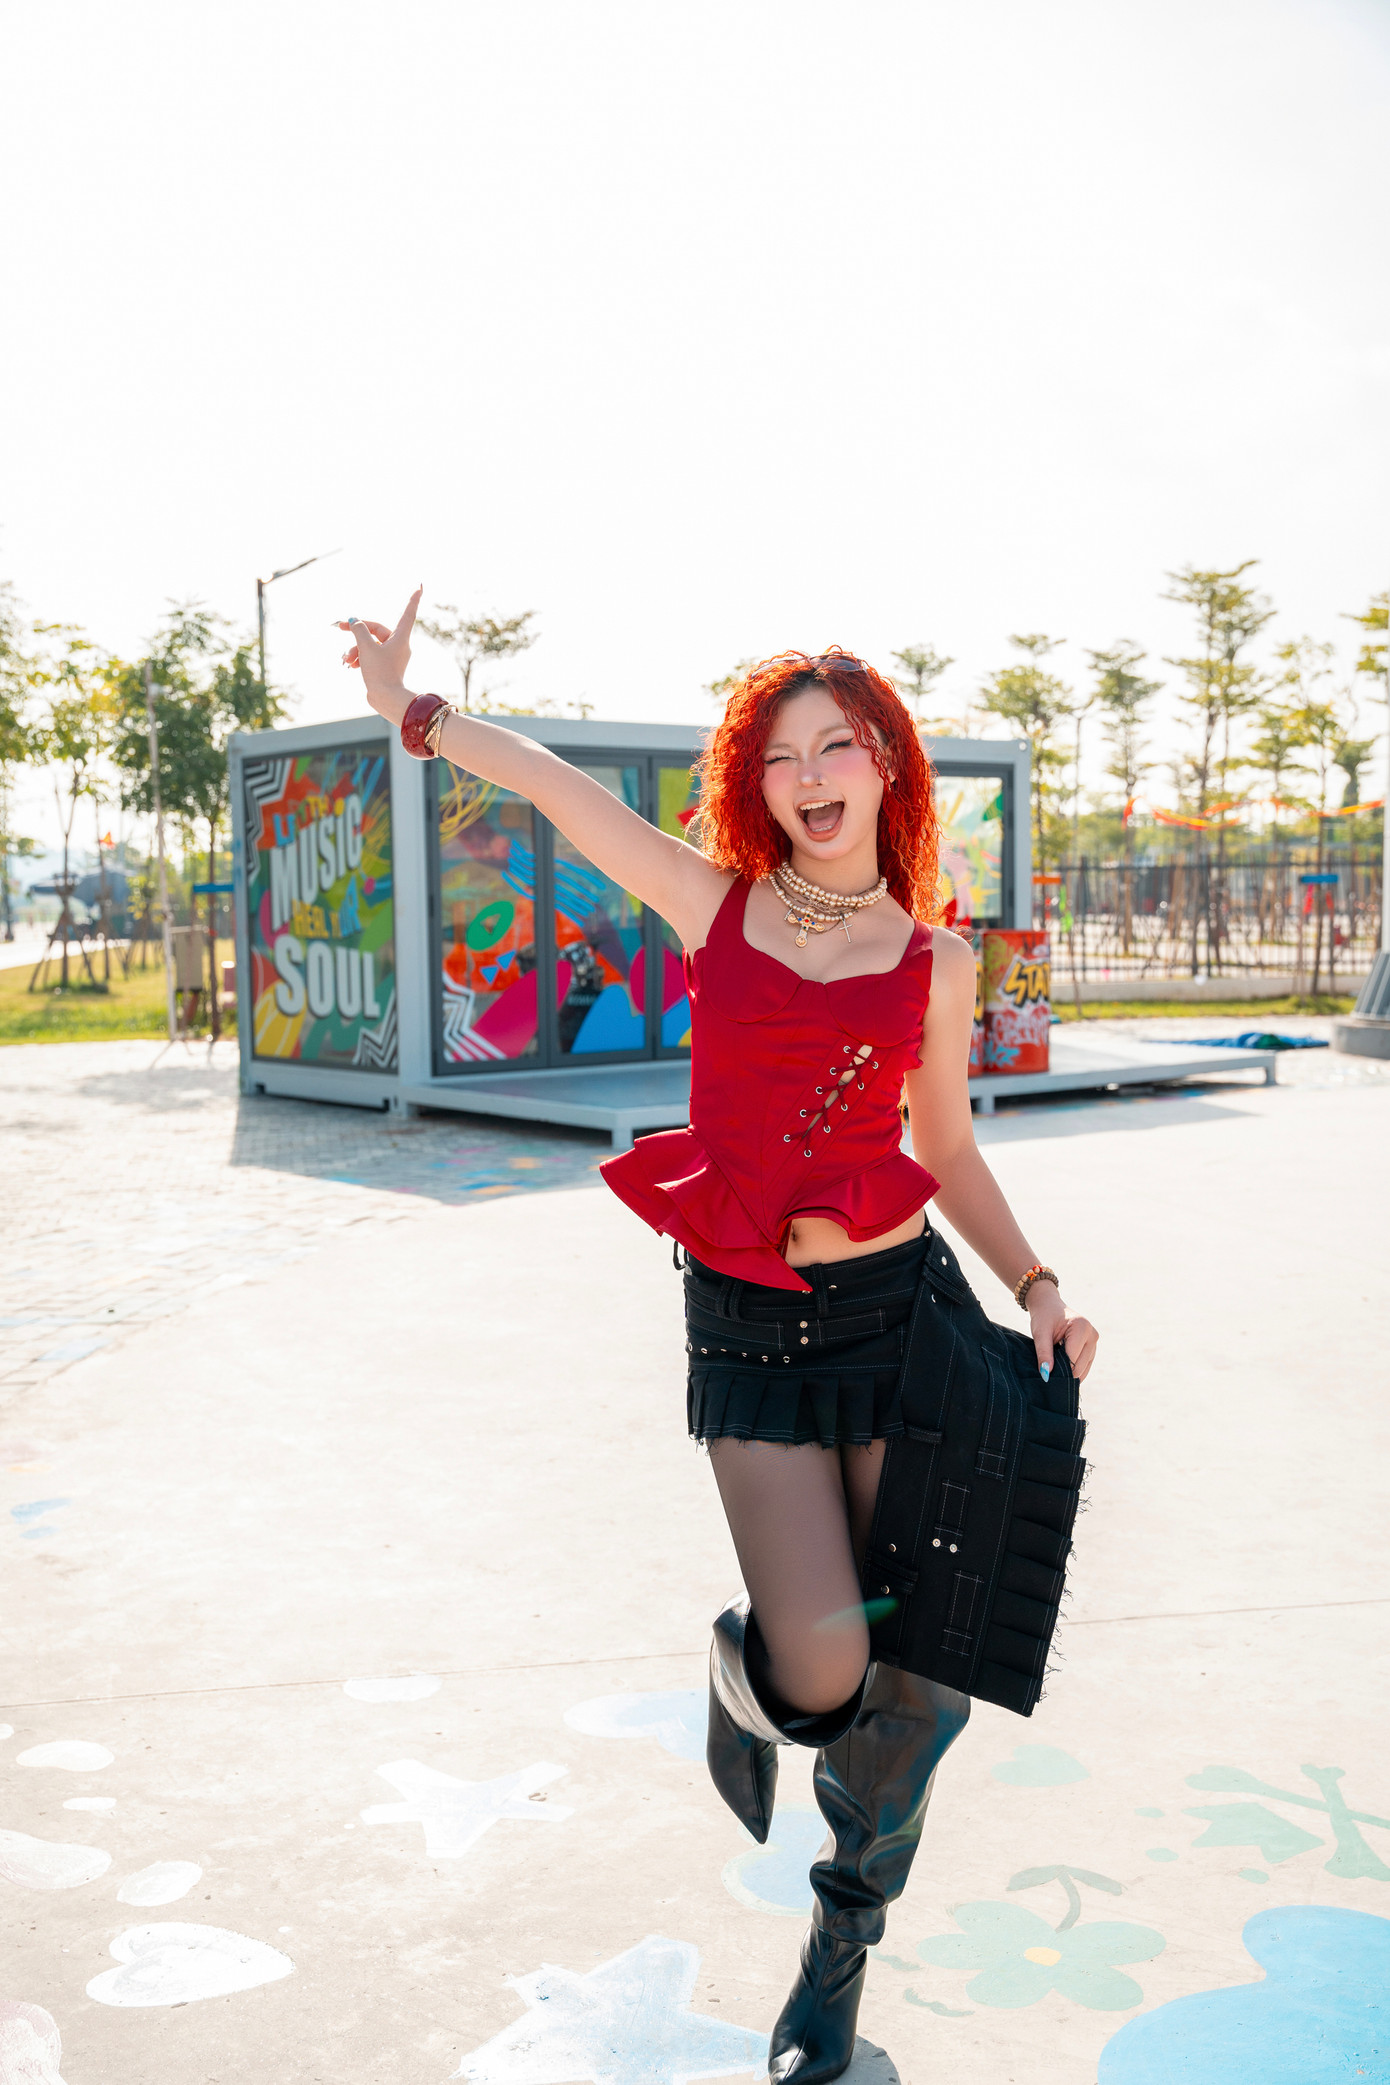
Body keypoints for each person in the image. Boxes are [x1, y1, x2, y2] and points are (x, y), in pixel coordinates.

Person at [341, 595, 1098, 2085]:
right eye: (783, 754)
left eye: (839, 746)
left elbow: (943, 1146)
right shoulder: (716, 906)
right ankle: (742, 1670)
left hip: (900, 1322)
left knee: (920, 1678)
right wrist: (411, 712)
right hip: (750, 1328)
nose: (811, 775)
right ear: (757, 780)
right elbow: (551, 785)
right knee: (819, 1671)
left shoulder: (939, 963)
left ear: (886, 766)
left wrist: (1034, 1285)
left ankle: (837, 1955)